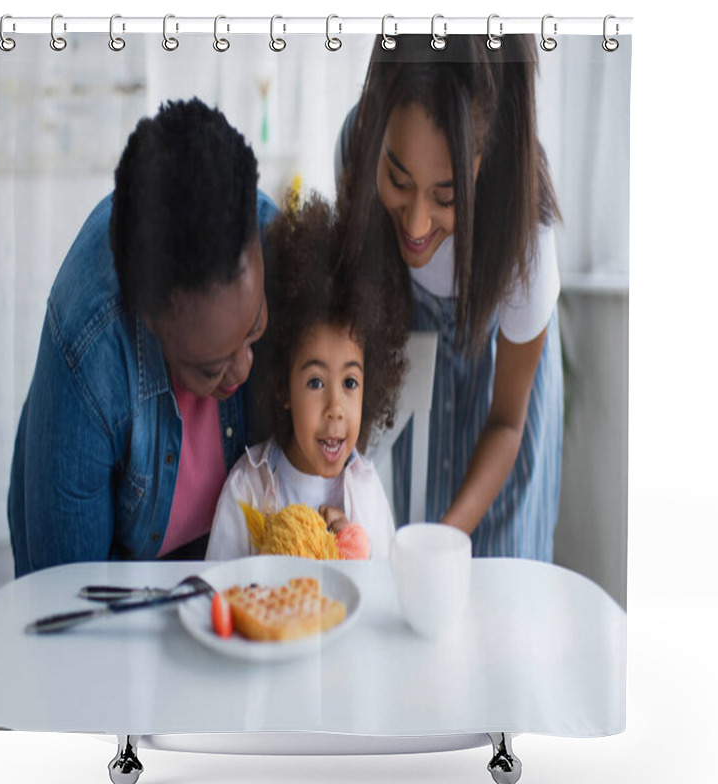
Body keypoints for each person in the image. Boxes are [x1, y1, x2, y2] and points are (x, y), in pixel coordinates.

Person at [8, 98, 277, 577]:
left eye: (254, 328)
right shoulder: (89, 345)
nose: (244, 368)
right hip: (114, 574)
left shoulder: (269, 239)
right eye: (210, 366)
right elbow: (70, 594)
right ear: (149, 320)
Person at [337, 35, 564, 560]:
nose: (415, 225)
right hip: (413, 369)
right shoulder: (356, 144)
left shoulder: (522, 226)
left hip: (502, 417)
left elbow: (508, 423)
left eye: (446, 196)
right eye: (396, 178)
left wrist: (438, 542)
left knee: (493, 596)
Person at [206, 195, 406, 561]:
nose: (335, 409)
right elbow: (221, 591)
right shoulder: (247, 488)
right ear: (284, 387)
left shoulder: (365, 491)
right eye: (316, 382)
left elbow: (384, 599)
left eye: (350, 383)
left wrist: (355, 554)